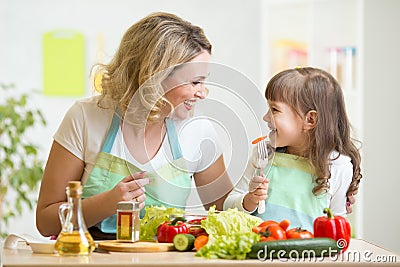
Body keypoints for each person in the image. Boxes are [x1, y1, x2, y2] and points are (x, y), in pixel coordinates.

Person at [36, 12, 233, 239]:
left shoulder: (199, 131)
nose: (202, 93)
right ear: (155, 76)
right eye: (194, 82)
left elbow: (227, 213)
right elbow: (46, 222)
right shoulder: (86, 117)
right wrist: (106, 204)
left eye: (204, 81)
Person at [224, 67, 362, 231]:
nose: (265, 117)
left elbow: (337, 224)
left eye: (274, 110)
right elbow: (228, 205)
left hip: (309, 255)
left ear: (310, 119)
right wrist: (250, 200)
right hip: (258, 253)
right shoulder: (264, 155)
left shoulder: (339, 166)